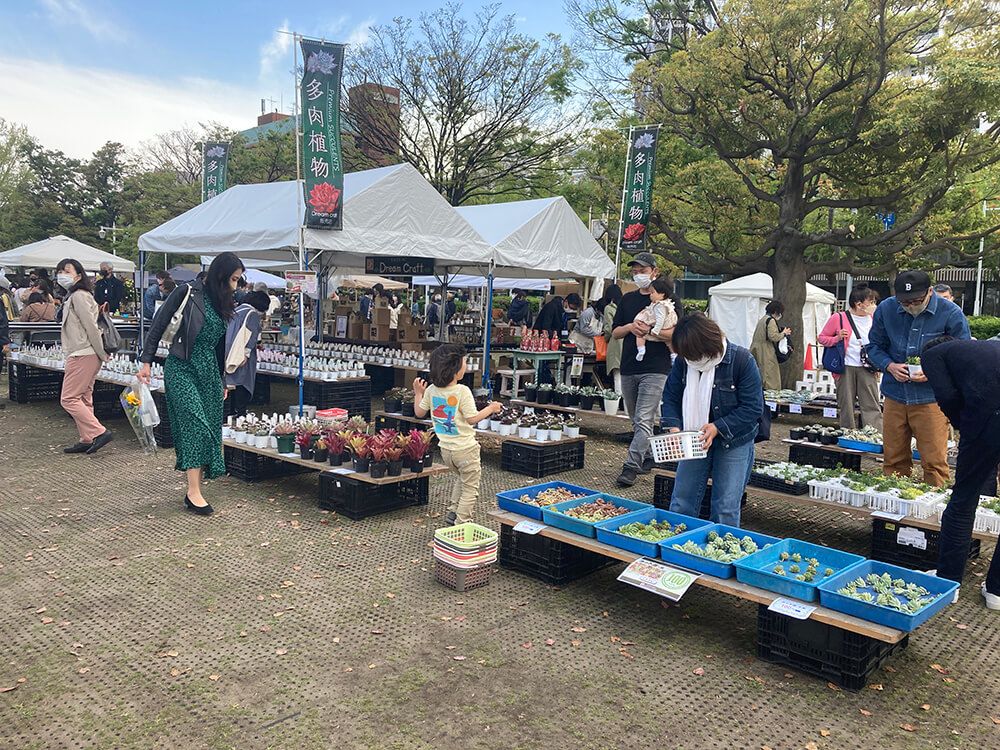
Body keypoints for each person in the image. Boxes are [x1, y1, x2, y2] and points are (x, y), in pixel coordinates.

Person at [138, 252, 245, 516]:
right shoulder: (187, 291)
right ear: (221, 275)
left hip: (209, 371)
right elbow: (159, 322)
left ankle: (194, 488)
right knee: (194, 424)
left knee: (209, 426)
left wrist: (222, 379)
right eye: (233, 278)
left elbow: (220, 344)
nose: (235, 284)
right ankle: (193, 491)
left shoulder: (223, 300)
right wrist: (146, 361)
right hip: (181, 366)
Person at [867, 270, 971, 487]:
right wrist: (889, 366)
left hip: (931, 398)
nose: (910, 306)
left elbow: (964, 352)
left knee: (934, 462)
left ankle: (932, 514)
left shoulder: (950, 312)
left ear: (930, 292)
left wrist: (935, 370)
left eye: (916, 300)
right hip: (895, 394)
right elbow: (874, 346)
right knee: (893, 459)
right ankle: (893, 504)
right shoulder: (886, 309)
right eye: (904, 302)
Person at [921, 336, 1000, 609]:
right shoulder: (983, 347)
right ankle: (996, 592)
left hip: (988, 420)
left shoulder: (933, 355)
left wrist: (964, 426)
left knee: (963, 500)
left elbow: (947, 396)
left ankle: (948, 582)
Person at [662, 314, 763, 526]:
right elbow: (671, 395)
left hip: (734, 440)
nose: (691, 361)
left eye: (693, 355)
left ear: (708, 346)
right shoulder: (685, 361)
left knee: (726, 506)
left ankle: (720, 554)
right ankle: (677, 549)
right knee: (681, 500)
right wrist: (673, 426)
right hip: (694, 437)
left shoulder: (742, 360)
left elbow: (753, 408)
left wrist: (718, 427)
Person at [412, 343, 502, 526]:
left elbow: (419, 413)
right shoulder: (462, 391)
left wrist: (418, 394)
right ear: (455, 369)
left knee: (462, 478)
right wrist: (491, 408)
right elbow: (472, 419)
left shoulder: (431, 390)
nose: (466, 366)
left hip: (446, 450)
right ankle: (462, 524)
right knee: (470, 488)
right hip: (466, 450)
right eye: (464, 362)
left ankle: (453, 512)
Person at [612, 253, 677, 487]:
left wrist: (650, 332)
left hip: (657, 368)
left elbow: (677, 333)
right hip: (629, 366)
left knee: (643, 417)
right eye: (635, 271)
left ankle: (630, 466)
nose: (639, 274)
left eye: (643, 270)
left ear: (654, 272)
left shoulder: (669, 301)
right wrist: (631, 327)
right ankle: (648, 456)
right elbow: (615, 332)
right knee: (636, 418)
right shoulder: (627, 299)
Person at [56, 258, 113, 455]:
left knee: (69, 398)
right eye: (60, 271)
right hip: (85, 352)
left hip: (83, 352)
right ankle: (87, 437)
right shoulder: (78, 295)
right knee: (84, 396)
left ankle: (99, 432)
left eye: (67, 271)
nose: (62, 274)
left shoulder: (79, 296)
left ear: (78, 275)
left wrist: (100, 352)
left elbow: (91, 326)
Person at [817, 284, 882, 430]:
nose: (873, 305)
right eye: (870, 302)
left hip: (867, 367)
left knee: (871, 404)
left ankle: (873, 435)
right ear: (859, 304)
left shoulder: (874, 319)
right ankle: (848, 434)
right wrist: (837, 338)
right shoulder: (838, 318)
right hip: (845, 367)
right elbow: (821, 338)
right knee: (846, 404)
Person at [225, 291, 269, 418]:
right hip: (240, 352)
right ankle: (241, 412)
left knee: (231, 382)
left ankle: (231, 411)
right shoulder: (252, 314)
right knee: (242, 381)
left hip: (229, 349)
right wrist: (247, 353)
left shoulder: (236, 310)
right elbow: (252, 334)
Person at [631, 277, 678, 362]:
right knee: (669, 342)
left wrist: (655, 330)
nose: (650, 295)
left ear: (662, 294)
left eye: (652, 292)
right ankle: (674, 355)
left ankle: (641, 349)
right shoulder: (666, 303)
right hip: (667, 325)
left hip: (660, 326)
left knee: (640, 335)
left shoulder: (659, 305)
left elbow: (660, 319)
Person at [750, 300, 790, 391]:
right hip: (766, 351)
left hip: (756, 349)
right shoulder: (771, 320)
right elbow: (773, 336)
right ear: (776, 312)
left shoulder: (763, 319)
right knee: (770, 375)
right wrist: (784, 333)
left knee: (760, 372)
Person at [600, 284, 625, 398]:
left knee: (617, 372)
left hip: (615, 342)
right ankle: (625, 401)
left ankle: (618, 398)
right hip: (628, 341)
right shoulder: (625, 306)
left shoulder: (609, 308)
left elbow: (609, 328)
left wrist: (604, 337)